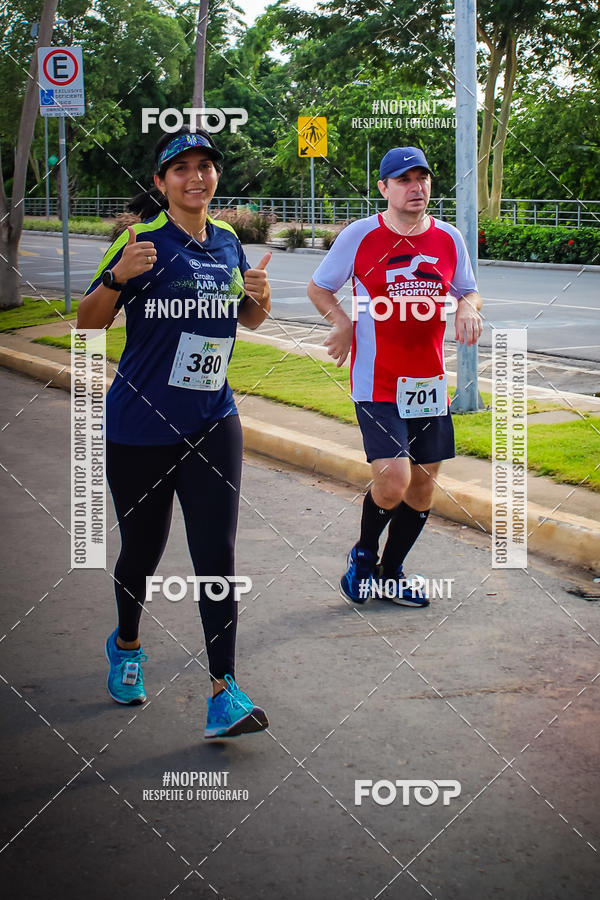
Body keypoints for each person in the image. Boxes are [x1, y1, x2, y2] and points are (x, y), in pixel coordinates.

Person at [77, 128, 271, 738]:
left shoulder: (228, 243)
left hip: (214, 419)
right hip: (140, 426)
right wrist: (115, 279)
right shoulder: (138, 242)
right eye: (180, 168)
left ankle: (225, 692)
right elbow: (88, 324)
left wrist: (258, 299)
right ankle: (128, 646)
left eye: (205, 166)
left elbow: (244, 319)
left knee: (217, 553)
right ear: (161, 183)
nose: (196, 177)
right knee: (144, 548)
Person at [307, 146, 483, 607]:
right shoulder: (361, 235)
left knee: (424, 485)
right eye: (404, 179)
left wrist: (466, 306)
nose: (416, 187)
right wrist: (342, 323)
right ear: (383, 188)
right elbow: (319, 286)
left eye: (422, 177)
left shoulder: (448, 238)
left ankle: (391, 572)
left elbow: (470, 290)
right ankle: (363, 556)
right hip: (377, 380)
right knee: (394, 480)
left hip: (428, 385)